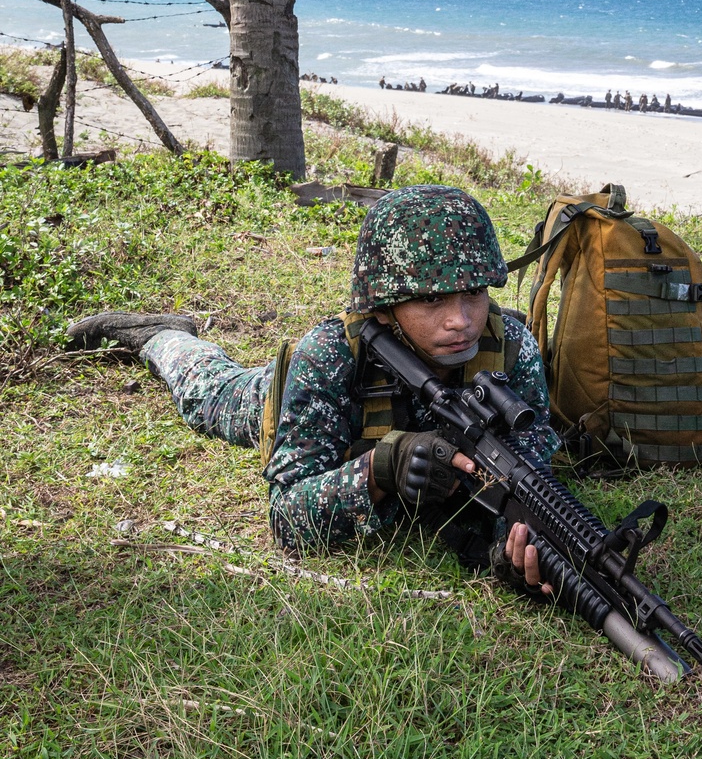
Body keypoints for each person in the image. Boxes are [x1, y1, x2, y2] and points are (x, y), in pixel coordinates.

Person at [66, 186, 557, 595]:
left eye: (474, 293)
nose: (462, 320)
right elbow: (287, 519)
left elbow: (530, 479)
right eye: (431, 299)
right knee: (209, 393)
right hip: (292, 399)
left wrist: (516, 548)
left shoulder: (510, 348)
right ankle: (164, 335)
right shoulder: (329, 356)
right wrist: (380, 469)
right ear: (383, 307)